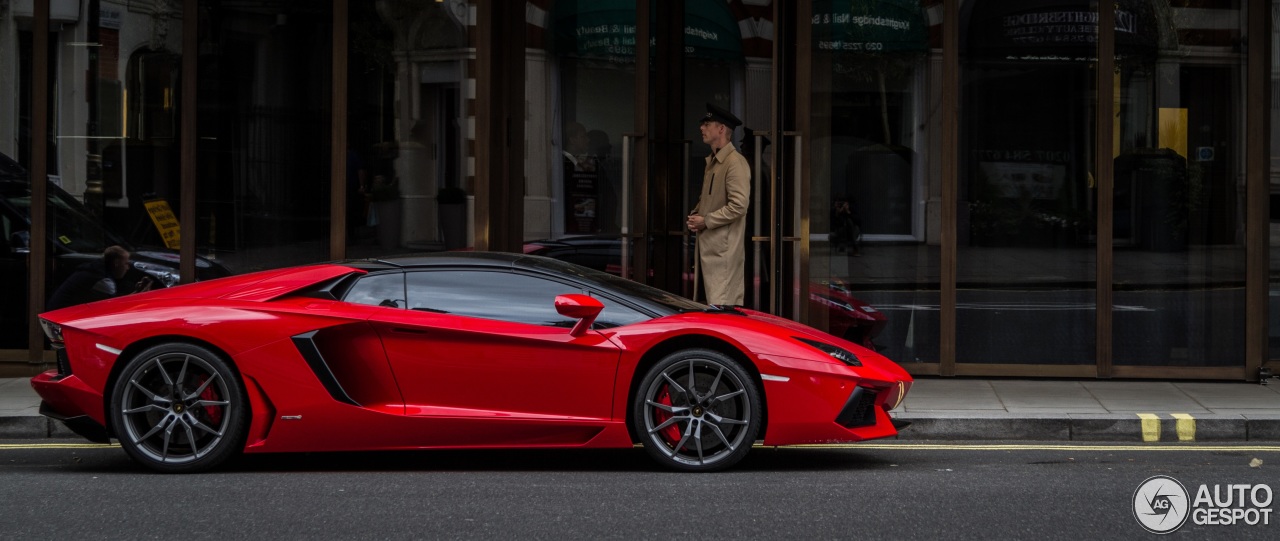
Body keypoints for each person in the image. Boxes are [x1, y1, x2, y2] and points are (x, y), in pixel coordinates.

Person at [687, 103, 750, 307]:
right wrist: (697, 214)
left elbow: (739, 205)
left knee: (722, 314)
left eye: (707, 124)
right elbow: (710, 199)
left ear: (721, 129)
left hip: (722, 256)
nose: (701, 128)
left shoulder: (734, 162)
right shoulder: (714, 162)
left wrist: (706, 220)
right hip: (711, 254)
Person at [47, 245, 153, 310]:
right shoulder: (102, 280)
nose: (128, 268)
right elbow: (116, 307)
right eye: (125, 263)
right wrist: (139, 294)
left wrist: (137, 292)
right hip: (63, 319)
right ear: (116, 263)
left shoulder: (95, 270)